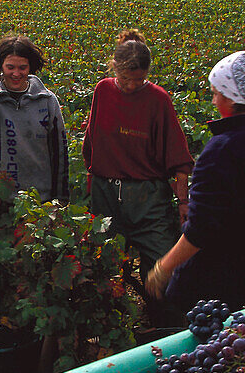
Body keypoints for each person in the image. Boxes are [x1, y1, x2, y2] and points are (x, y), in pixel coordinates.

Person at [146, 51, 245, 321]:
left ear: (232, 98)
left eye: (216, 92)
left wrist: (163, 267)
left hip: (213, 287)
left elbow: (200, 230)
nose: (214, 99)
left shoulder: (221, 150)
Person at [83, 29, 194, 328]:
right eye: (125, 79)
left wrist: (183, 200)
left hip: (147, 197)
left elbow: (178, 156)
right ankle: (104, 333)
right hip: (105, 194)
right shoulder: (102, 91)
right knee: (100, 268)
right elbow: (91, 142)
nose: (131, 85)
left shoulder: (158, 99)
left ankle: (167, 331)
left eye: (138, 80)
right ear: (113, 69)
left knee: (162, 266)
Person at [0, 35, 69, 202]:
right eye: (10, 67)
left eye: (22, 68)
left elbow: (59, 151)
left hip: (39, 198)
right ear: (1, 67)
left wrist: (60, 198)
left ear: (30, 68)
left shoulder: (47, 100)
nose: (16, 73)